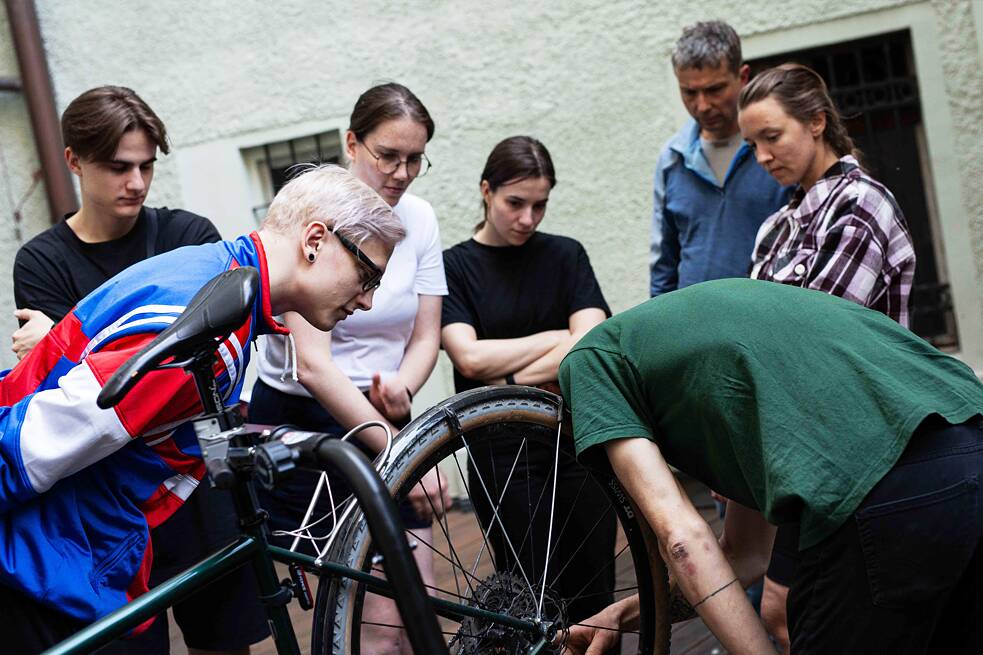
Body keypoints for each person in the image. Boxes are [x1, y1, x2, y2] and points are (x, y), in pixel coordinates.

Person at [0, 164, 404, 653]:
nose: (366, 301)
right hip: (46, 566)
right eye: (367, 276)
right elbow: (29, 447)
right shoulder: (204, 332)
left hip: (66, 554)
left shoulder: (215, 273)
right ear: (314, 240)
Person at [558, 278, 983, 655]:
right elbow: (746, 557)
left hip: (878, 486)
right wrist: (619, 614)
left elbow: (682, 539)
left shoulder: (589, 361)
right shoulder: (721, 342)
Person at [11, 85, 268, 655]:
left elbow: (193, 362)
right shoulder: (42, 260)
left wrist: (60, 337)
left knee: (226, 642)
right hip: (108, 500)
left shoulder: (190, 236)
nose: (136, 183)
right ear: (74, 160)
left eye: (147, 166)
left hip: (199, 475)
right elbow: (66, 390)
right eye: (118, 167)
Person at [249, 82, 447, 654]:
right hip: (307, 415)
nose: (402, 172)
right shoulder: (317, 214)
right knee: (368, 622)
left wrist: (402, 385)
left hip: (381, 410)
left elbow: (426, 331)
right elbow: (313, 366)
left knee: (420, 601)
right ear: (352, 143)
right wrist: (397, 448)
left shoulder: (420, 218)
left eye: (415, 159)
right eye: (389, 155)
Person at [739, 63, 918, 652]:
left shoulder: (862, 203)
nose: (763, 155)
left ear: (817, 122)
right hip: (810, 450)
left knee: (793, 610)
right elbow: (754, 339)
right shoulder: (776, 228)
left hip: (868, 446)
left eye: (773, 136)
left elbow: (811, 342)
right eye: (752, 144)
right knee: (787, 610)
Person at [441, 135, 616, 623]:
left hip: (576, 438)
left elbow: (591, 344)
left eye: (540, 205)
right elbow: (469, 359)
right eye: (515, 203)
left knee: (596, 587)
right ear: (485, 191)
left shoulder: (566, 255)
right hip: (499, 449)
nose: (528, 219)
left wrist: (512, 375)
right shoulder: (454, 266)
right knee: (530, 592)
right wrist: (559, 339)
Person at [650, 20, 790, 298]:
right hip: (694, 325)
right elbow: (664, 264)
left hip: (770, 319)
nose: (702, 105)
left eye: (714, 90)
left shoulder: (778, 151)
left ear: (743, 76)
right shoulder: (672, 159)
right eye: (689, 92)